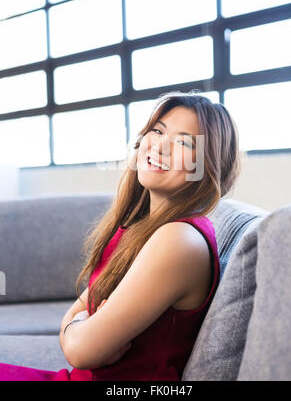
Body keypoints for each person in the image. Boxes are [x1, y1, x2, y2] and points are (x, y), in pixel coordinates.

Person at [0, 90, 241, 381]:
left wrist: (76, 328)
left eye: (183, 142)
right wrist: (77, 325)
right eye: (157, 130)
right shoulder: (143, 229)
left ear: (208, 165)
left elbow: (81, 351)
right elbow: (75, 319)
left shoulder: (179, 239)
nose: (160, 146)